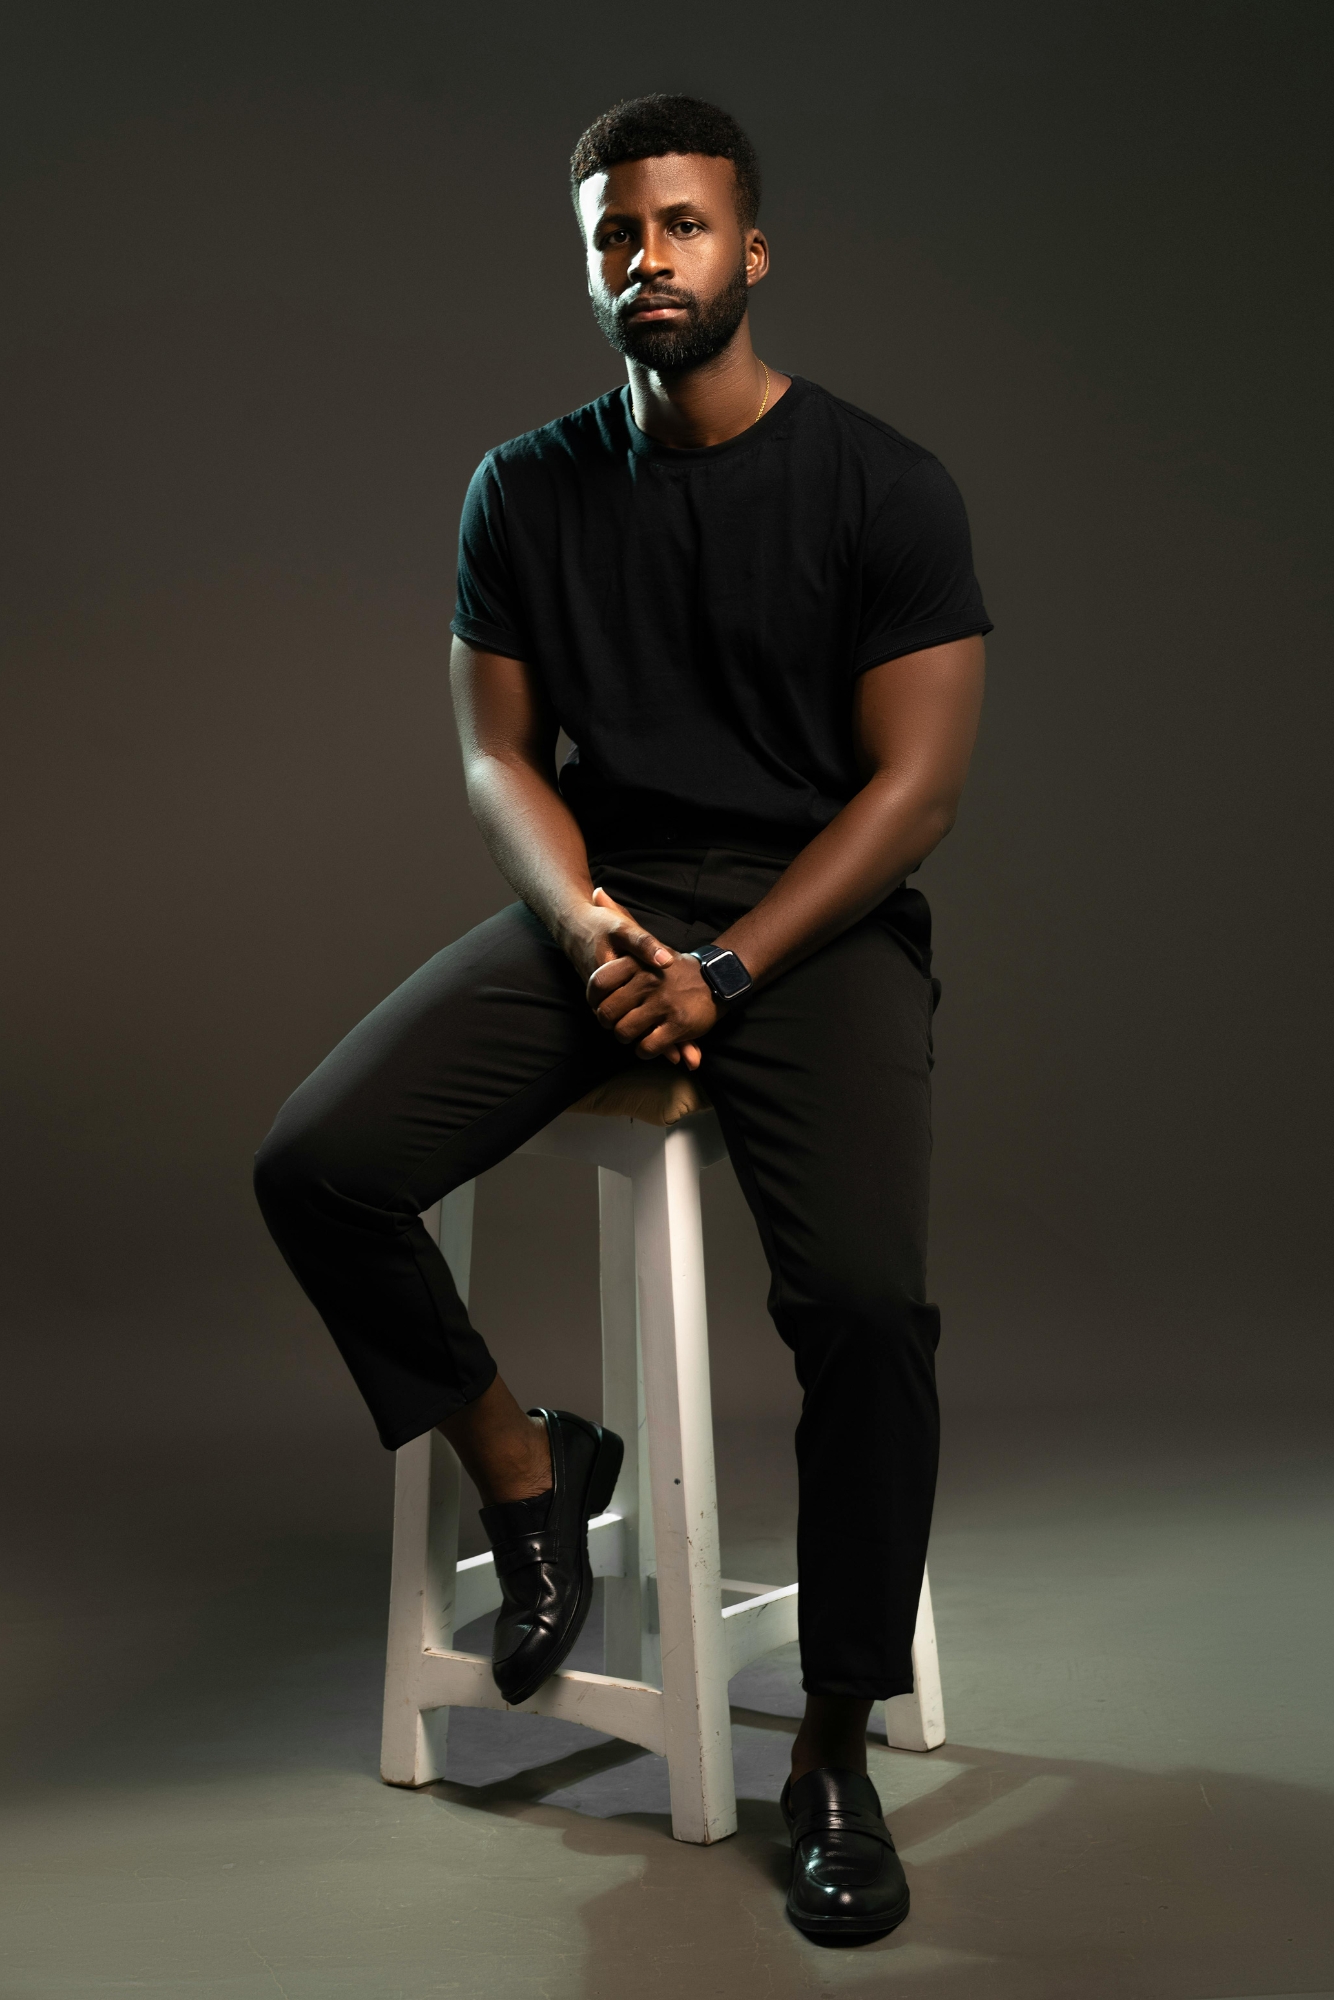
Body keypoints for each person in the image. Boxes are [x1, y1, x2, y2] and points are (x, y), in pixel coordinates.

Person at [254, 92, 989, 1943]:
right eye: (612, 236)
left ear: (751, 250)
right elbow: (500, 756)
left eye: (676, 226)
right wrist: (585, 920)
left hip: (810, 935)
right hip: (603, 909)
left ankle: (829, 1747)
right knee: (319, 1166)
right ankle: (528, 1468)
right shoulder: (527, 486)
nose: (643, 260)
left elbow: (911, 793)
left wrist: (729, 969)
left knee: (863, 1315)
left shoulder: (884, 486)